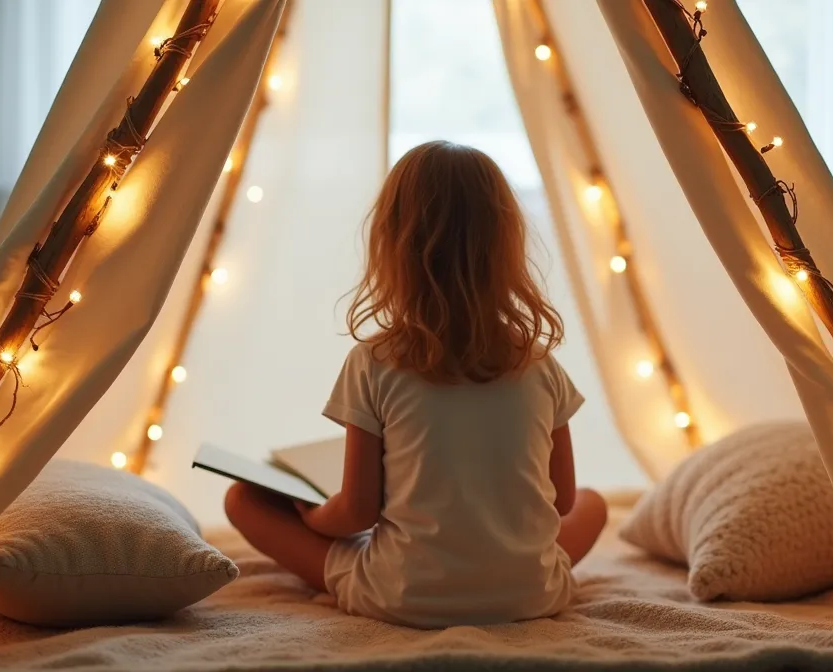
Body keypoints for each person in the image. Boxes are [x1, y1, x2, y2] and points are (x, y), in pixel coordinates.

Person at [225, 140, 607, 628]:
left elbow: (358, 512)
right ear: (505, 244)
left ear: (391, 244)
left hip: (402, 596)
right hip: (533, 595)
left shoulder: (373, 360)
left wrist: (313, 515)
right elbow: (565, 499)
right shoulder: (540, 364)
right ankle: (508, 574)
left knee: (243, 499)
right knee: (595, 504)